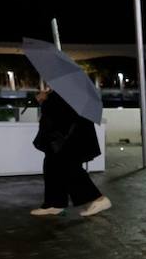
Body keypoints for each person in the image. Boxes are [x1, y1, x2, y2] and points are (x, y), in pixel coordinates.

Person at [29, 87, 110, 217]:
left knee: (69, 169)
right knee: (53, 167)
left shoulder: (67, 92)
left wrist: (43, 101)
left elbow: (59, 112)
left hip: (68, 139)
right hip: (63, 138)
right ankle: (54, 204)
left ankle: (98, 199)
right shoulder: (61, 91)